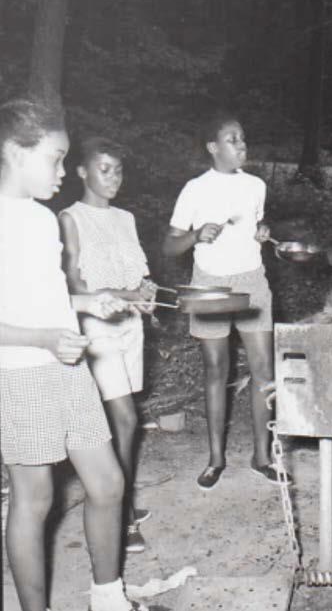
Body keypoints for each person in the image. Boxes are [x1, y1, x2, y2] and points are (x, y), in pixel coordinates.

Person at [0, 99, 145, 611]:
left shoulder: (42, 221)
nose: (63, 172)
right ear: (16, 153)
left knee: (107, 483)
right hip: (21, 374)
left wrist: (88, 302)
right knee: (34, 499)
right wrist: (41, 339)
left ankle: (108, 598)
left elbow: (48, 296)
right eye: (55, 158)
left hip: (69, 368)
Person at [162, 111, 286, 491]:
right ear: (213, 148)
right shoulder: (195, 189)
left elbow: (256, 229)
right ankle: (216, 459)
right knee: (217, 370)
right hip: (210, 285)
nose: (242, 144)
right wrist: (196, 235)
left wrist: (264, 232)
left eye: (243, 138)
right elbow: (169, 246)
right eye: (233, 139)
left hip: (252, 279)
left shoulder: (256, 186)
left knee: (264, 371)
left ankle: (262, 457)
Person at [59, 137, 157, 554]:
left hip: (130, 324)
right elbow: (76, 283)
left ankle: (121, 498)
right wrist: (122, 293)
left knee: (123, 421)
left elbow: (139, 275)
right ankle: (123, 516)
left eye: (117, 169)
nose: (113, 177)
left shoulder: (127, 218)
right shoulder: (69, 217)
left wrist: (146, 291)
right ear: (82, 171)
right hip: (96, 325)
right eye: (104, 168)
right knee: (126, 418)